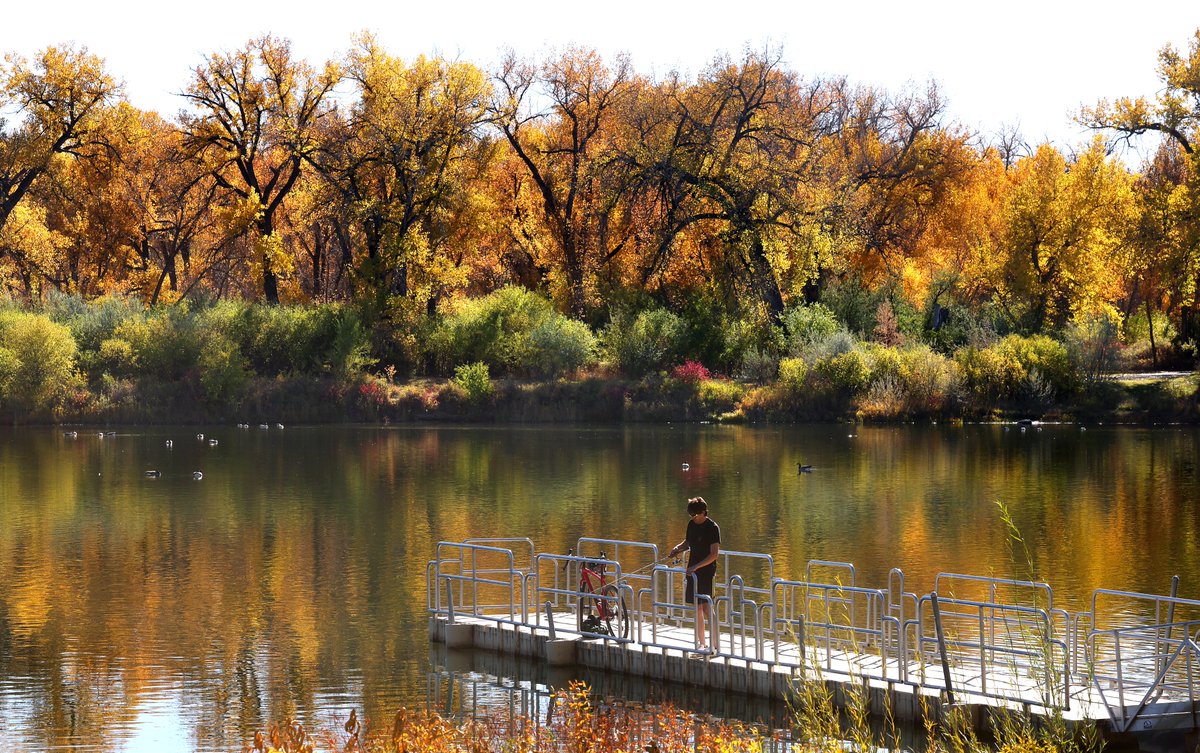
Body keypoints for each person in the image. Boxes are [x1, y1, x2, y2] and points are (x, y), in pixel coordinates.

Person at [667, 496, 720, 652]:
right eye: (691, 516)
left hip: (706, 571)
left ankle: (715, 643)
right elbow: (688, 542)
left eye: (695, 515)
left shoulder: (712, 528)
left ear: (703, 512)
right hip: (692, 571)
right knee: (696, 608)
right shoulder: (691, 524)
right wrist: (677, 548)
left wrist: (696, 566)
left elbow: (714, 554)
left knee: (707, 608)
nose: (693, 518)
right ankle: (702, 643)